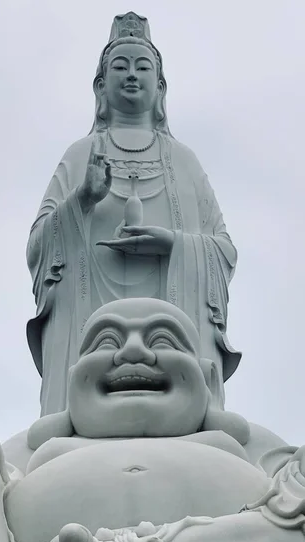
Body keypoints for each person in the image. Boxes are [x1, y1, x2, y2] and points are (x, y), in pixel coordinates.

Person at [0, 299, 305, 542]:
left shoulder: (250, 443)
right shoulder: (31, 448)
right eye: (107, 341)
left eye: (163, 339)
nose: (133, 352)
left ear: (207, 377)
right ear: (73, 379)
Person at [26, 12, 241, 415]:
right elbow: (38, 249)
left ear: (160, 86)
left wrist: (174, 244)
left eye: (142, 67)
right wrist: (81, 200)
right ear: (100, 84)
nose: (131, 75)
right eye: (120, 66)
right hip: (89, 324)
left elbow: (224, 250)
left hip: (168, 327)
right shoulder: (79, 155)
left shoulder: (184, 160)